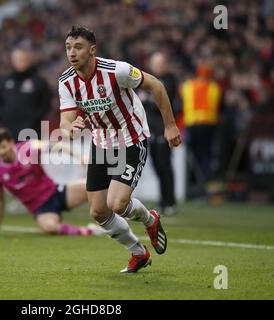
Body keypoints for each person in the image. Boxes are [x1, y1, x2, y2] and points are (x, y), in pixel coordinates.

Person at [59, 26, 181, 273]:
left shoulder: (118, 71)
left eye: (78, 47)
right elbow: (65, 123)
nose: (72, 53)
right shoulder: (66, 82)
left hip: (131, 140)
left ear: (92, 50)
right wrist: (71, 128)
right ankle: (138, 253)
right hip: (101, 144)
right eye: (69, 47)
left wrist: (170, 125)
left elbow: (156, 85)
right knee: (98, 211)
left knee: (117, 203)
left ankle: (150, 219)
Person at [0, 127, 103, 237]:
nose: (1, 152)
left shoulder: (28, 148)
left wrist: (80, 156)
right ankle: (90, 231)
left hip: (57, 192)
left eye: (3, 147)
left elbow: (55, 146)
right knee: (50, 227)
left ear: (11, 143)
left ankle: (114, 220)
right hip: (41, 207)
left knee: (95, 188)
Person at [139, 52, 178, 215]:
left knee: (165, 166)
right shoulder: (151, 80)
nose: (156, 67)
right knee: (157, 166)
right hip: (151, 130)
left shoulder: (169, 80)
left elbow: (157, 103)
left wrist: (146, 98)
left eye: (159, 63)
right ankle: (164, 201)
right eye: (154, 64)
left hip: (164, 129)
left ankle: (169, 201)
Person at [180, 63, 222, 198]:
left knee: (193, 158)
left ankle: (195, 188)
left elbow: (182, 105)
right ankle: (203, 189)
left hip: (192, 125)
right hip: (208, 126)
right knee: (206, 157)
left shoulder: (187, 86)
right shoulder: (215, 87)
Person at [0, 47, 52, 140]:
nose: (20, 62)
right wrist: (2, 117)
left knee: (31, 154)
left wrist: (33, 119)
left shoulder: (38, 82)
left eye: (22, 59)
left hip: (32, 131)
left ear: (28, 60)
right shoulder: (4, 81)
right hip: (9, 130)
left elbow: (46, 103)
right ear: (12, 61)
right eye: (16, 59)